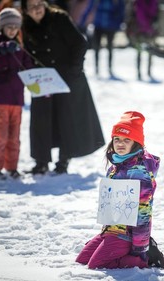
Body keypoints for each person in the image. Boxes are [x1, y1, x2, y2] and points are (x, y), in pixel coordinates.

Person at [20, 0, 105, 174]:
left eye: (39, 4)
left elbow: (80, 44)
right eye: (32, 6)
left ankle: (63, 161)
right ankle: (41, 162)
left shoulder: (59, 18)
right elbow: (25, 53)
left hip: (68, 77)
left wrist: (73, 71)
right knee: (40, 119)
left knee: (66, 119)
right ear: (25, 10)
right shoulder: (25, 26)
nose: (37, 9)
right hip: (42, 80)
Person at [75, 111, 164, 269]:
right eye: (117, 139)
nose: (120, 144)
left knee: (95, 265)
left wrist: (139, 248)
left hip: (127, 235)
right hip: (112, 229)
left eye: (126, 140)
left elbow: (143, 212)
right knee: (82, 260)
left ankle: (146, 261)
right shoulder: (115, 167)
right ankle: (118, 249)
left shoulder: (139, 172)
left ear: (136, 143)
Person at [0, 8, 33, 180]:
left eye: (15, 26)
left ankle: (12, 167)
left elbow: (29, 68)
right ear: (1, 26)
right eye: (8, 26)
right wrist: (3, 48)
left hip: (16, 99)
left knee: (14, 137)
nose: (12, 29)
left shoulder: (20, 46)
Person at [78, 0, 125, 78]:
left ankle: (109, 67)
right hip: (98, 24)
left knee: (110, 47)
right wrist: (83, 20)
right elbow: (90, 8)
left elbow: (121, 10)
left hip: (111, 25)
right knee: (96, 47)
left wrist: (120, 22)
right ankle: (97, 67)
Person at [126, 0, 159, 81]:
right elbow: (132, 15)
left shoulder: (154, 2)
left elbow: (157, 15)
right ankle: (139, 72)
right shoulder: (137, 2)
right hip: (139, 31)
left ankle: (149, 71)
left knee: (151, 51)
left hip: (150, 31)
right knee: (139, 52)